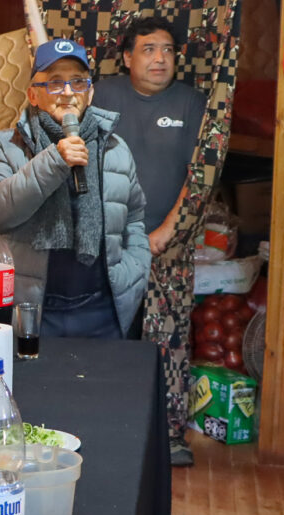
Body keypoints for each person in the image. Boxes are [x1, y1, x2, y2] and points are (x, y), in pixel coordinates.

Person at [0, 38, 151, 339]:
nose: (68, 92)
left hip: (104, 312)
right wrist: (54, 160)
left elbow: (134, 220)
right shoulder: (4, 145)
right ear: (33, 94)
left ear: (90, 93)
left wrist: (135, 271)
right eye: (55, 83)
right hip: (32, 311)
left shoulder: (115, 147)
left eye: (78, 82)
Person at [92, 17, 208, 467]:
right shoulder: (102, 96)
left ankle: (169, 435)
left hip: (168, 243)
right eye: (148, 49)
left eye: (168, 50)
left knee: (168, 339)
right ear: (127, 57)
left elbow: (199, 177)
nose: (160, 59)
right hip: (107, 241)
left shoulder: (193, 103)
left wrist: (165, 232)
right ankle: (101, 423)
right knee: (105, 332)